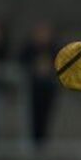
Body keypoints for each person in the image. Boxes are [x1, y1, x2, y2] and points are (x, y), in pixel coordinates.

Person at [19, 21, 60, 149]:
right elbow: (21, 61)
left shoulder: (54, 48)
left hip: (49, 89)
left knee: (47, 117)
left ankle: (44, 144)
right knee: (32, 117)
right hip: (33, 89)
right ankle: (33, 144)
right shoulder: (29, 48)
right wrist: (34, 68)